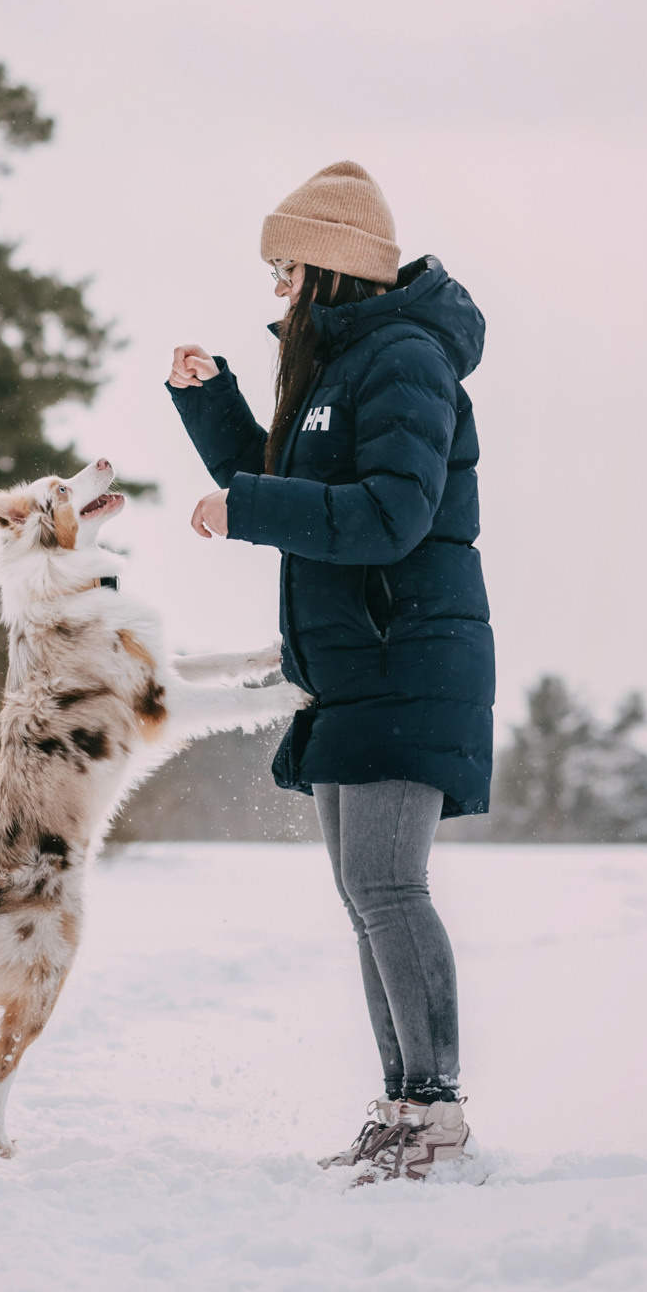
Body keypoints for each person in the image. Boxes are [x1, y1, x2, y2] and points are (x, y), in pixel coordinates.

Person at [166, 160, 493, 1184]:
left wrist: (247, 510)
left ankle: (434, 1117)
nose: (278, 291)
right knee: (363, 893)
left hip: (409, 659)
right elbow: (278, 481)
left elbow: (388, 515)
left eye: (287, 270)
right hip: (347, 668)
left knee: (388, 885)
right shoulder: (337, 370)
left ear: (332, 269)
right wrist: (210, 402)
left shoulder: (404, 360)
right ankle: (400, 1109)